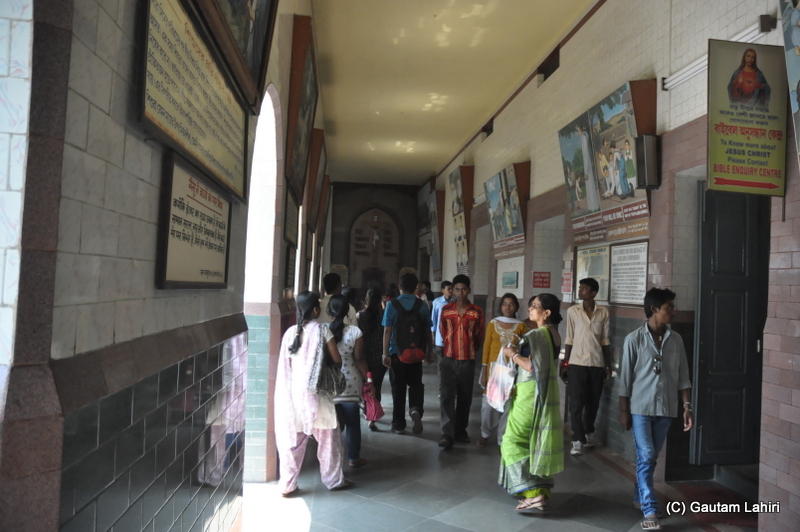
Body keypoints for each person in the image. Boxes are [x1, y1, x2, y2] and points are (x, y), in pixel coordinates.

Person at [618, 288, 693, 531]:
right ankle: (649, 509)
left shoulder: (676, 340)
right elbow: (625, 380)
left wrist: (687, 407)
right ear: (654, 309)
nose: (674, 311)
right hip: (640, 408)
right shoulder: (634, 339)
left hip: (666, 408)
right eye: (669, 307)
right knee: (647, 455)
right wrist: (624, 411)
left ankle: (639, 496)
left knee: (649, 457)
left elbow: (683, 376)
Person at [274, 291, 350, 495]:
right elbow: (337, 361)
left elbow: (286, 366)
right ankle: (334, 480)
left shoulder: (290, 333)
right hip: (318, 395)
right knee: (329, 441)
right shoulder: (323, 331)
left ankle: (288, 484)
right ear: (316, 309)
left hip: (295, 397)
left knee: (294, 442)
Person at [499, 294, 564, 512]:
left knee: (511, 441)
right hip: (545, 393)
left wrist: (512, 354)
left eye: (535, 306)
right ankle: (541, 491)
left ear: (547, 313)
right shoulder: (555, 334)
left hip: (529, 394)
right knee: (534, 443)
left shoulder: (537, 334)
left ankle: (533, 494)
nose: (530, 309)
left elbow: (532, 366)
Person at [561, 278, 612, 456]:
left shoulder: (603, 312)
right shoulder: (573, 311)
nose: (580, 291)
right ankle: (576, 440)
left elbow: (605, 340)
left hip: (597, 363)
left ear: (593, 293)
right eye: (580, 288)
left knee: (593, 402)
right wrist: (565, 362)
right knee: (576, 403)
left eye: (584, 288)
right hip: (577, 363)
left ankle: (588, 433)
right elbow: (569, 338)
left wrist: (608, 365)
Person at [382, 273, 434, 435]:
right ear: (416, 287)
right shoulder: (422, 305)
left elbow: (387, 330)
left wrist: (385, 354)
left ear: (399, 286)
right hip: (416, 353)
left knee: (398, 388)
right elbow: (428, 330)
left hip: (397, 354)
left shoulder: (392, 305)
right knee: (416, 384)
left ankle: (398, 424)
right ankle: (415, 409)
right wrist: (430, 351)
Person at [438, 274, 484, 448]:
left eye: (463, 289)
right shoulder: (446, 310)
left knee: (465, 397)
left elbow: (479, 335)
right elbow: (443, 331)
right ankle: (447, 433)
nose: (460, 292)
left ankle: (460, 430)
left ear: (469, 290)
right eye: (457, 289)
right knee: (447, 396)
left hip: (468, 360)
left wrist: (470, 348)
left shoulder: (477, 311)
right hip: (448, 359)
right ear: (453, 291)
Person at [327, 294, 372, 468]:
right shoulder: (355, 332)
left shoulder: (323, 330)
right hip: (350, 383)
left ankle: (331, 460)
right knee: (353, 423)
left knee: (332, 426)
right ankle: (354, 457)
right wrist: (369, 379)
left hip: (329, 384)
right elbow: (359, 359)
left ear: (328, 311)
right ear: (347, 311)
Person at [478, 293, 527, 448]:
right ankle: (485, 433)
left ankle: (502, 439)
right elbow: (486, 348)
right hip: (493, 371)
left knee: (507, 405)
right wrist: (484, 370)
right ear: (500, 307)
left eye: (511, 304)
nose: (508, 307)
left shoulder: (521, 326)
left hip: (511, 371)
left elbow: (523, 349)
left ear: (516, 307)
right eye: (505, 303)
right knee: (488, 404)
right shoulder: (493, 324)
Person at [357, 288, 386, 431]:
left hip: (363, 358)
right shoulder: (384, 315)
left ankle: (366, 411)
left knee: (365, 386)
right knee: (376, 387)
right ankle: (372, 419)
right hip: (379, 357)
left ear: (366, 300)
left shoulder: (359, 316)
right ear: (380, 301)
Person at [577, 123, 601, 212]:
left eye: (578, 131)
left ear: (581, 130)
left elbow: (586, 156)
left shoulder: (584, 139)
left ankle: (594, 206)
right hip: (587, 167)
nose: (578, 133)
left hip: (588, 168)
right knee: (589, 188)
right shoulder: (583, 139)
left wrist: (586, 171)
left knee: (590, 188)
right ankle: (592, 206)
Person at [430, 281, 454, 355]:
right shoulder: (437, 302)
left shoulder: (455, 302)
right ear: (442, 290)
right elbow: (433, 319)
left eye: (452, 289)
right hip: (440, 337)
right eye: (448, 289)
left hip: (452, 337)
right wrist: (432, 334)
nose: (451, 291)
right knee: (440, 358)